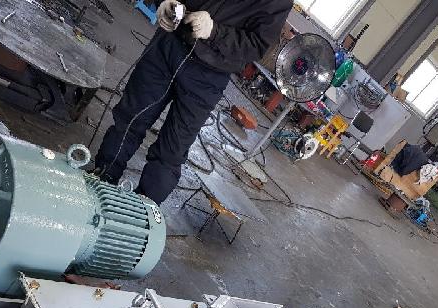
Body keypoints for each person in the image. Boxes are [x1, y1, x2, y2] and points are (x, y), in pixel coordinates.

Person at [94, 0, 293, 205]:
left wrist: (215, 31)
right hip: (169, 44)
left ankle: (142, 211)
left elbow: (257, 45)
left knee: (171, 151)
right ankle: (101, 181)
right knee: (130, 120)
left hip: (210, 75)